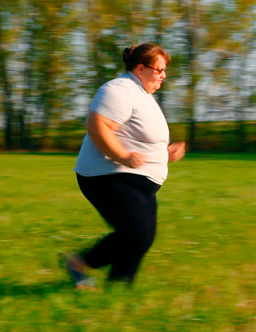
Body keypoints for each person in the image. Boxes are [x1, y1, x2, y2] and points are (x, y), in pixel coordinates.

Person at [65, 43, 185, 289]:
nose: (164, 75)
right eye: (159, 69)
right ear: (140, 68)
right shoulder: (119, 89)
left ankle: (117, 291)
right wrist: (121, 155)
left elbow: (136, 136)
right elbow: (97, 125)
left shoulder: (142, 95)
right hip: (108, 175)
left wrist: (164, 153)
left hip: (134, 178)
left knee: (140, 237)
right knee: (137, 233)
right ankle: (79, 264)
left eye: (165, 70)